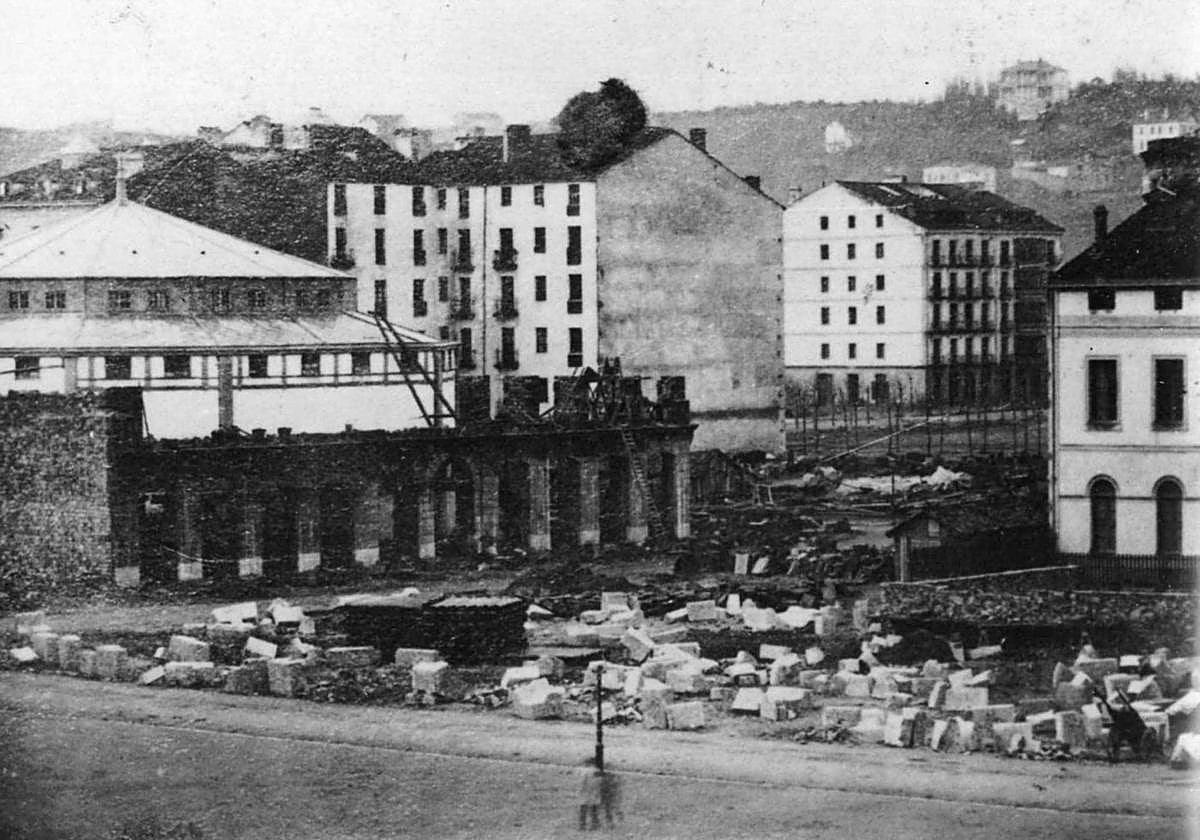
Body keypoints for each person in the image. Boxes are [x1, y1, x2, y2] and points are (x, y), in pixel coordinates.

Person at [577, 757, 602, 830]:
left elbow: (582, 782)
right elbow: (600, 783)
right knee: (594, 810)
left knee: (583, 810)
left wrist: (580, 791)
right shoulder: (598, 771)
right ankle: (595, 825)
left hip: (585, 792)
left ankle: (582, 826)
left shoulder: (585, 771)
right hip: (595, 792)